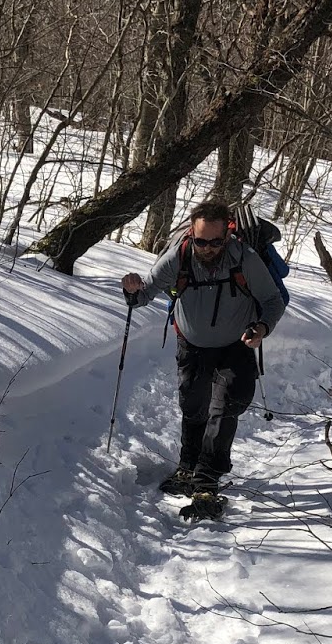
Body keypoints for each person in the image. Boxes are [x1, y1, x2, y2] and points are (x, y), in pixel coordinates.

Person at [121, 198, 286, 496]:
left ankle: (208, 476)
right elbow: (144, 295)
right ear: (191, 236)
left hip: (236, 344)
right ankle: (187, 466)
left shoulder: (244, 258)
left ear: (226, 237)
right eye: (200, 241)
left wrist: (261, 328)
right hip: (192, 343)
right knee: (193, 405)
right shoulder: (178, 257)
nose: (207, 247)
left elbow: (273, 301)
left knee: (227, 406)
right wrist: (131, 289)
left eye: (215, 241)